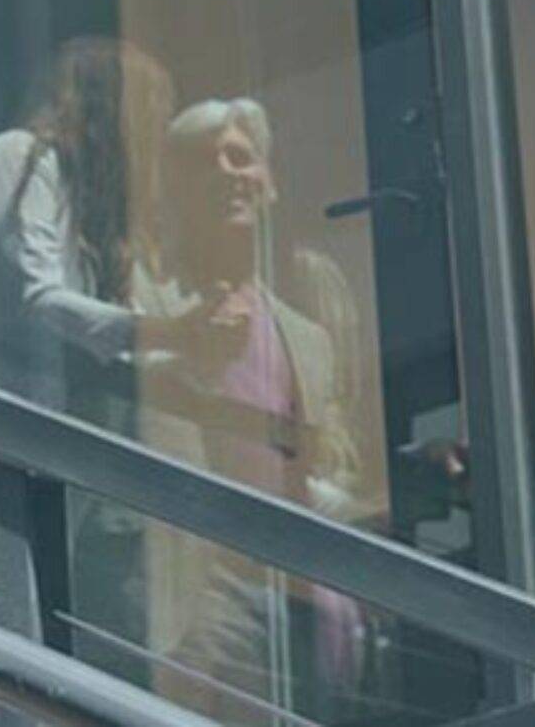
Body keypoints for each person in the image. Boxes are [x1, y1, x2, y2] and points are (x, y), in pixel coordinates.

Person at [0, 39, 242, 718]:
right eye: (153, 118)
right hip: (24, 449)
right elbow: (40, 299)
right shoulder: (20, 158)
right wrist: (167, 332)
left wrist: (188, 357)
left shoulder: (86, 200)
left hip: (83, 469)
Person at [155, 98, 368, 724]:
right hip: (205, 594)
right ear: (176, 191)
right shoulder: (150, 305)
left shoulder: (309, 338)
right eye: (203, 161)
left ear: (269, 183)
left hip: (304, 599)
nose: (227, 172)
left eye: (241, 157)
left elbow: (332, 466)